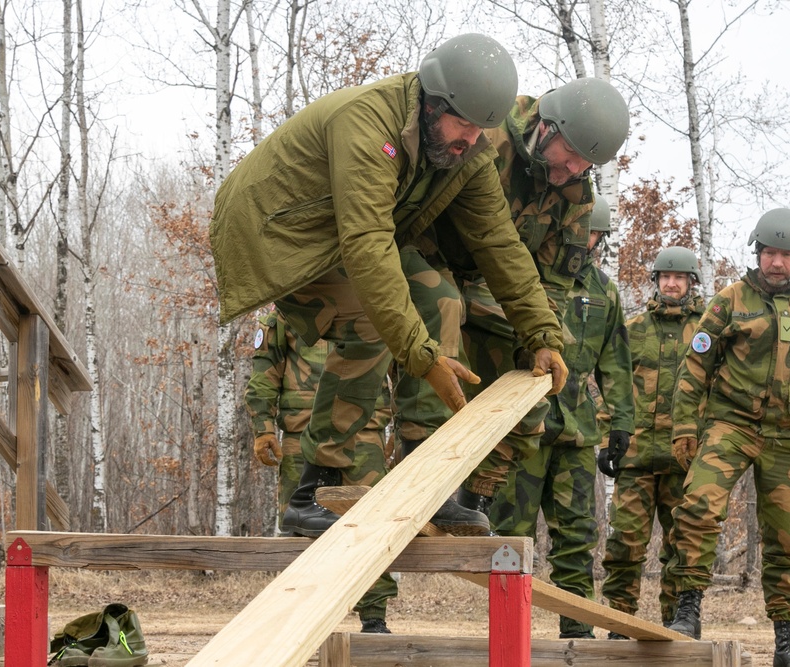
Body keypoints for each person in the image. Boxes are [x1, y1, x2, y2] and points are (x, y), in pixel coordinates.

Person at [210, 33, 568, 538]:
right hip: (280, 233)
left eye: (480, 128)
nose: (470, 138)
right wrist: (420, 357)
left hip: (343, 232)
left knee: (440, 297)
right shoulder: (367, 122)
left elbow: (498, 242)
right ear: (431, 102)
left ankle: (426, 475)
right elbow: (367, 244)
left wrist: (542, 334)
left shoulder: (468, 152)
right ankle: (314, 487)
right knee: (371, 321)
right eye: (461, 123)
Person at [665, 209, 790, 667]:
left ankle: (788, 642)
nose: (777, 262)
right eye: (770, 253)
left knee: (788, 540)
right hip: (731, 426)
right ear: (757, 253)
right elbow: (695, 366)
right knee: (697, 506)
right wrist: (683, 427)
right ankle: (687, 609)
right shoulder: (731, 300)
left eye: (786, 255)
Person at [444, 76, 631, 511]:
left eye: (584, 167)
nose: (571, 173)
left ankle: (476, 500)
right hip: (432, 266)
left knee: (537, 376)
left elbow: (553, 283)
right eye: (567, 159)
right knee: (440, 336)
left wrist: (541, 340)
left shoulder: (575, 197)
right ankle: (415, 478)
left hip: (502, 290)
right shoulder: (485, 134)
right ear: (548, 127)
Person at [487, 194, 634, 639]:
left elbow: (616, 361)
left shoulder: (604, 291)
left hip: (575, 432)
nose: (581, 240)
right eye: (578, 230)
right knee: (509, 535)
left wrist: (621, 423)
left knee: (577, 536)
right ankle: (508, 633)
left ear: (600, 239)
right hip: (522, 427)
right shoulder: (523, 274)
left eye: (590, 233)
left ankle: (577, 632)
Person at [244, 309, 397, 633]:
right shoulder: (288, 310)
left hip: (364, 434)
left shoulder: (374, 301)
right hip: (304, 437)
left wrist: (401, 427)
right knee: (301, 530)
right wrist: (263, 428)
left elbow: (400, 363)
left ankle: (374, 618)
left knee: (371, 526)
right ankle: (296, 621)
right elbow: (264, 373)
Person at [600, 246, 705, 634]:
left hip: (686, 460)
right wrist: (605, 437)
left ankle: (676, 624)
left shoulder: (708, 331)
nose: (672, 283)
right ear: (656, 281)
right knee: (624, 544)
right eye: (665, 277)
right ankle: (618, 621)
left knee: (683, 547)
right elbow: (614, 383)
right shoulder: (634, 328)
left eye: (679, 277)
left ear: (692, 281)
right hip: (637, 457)